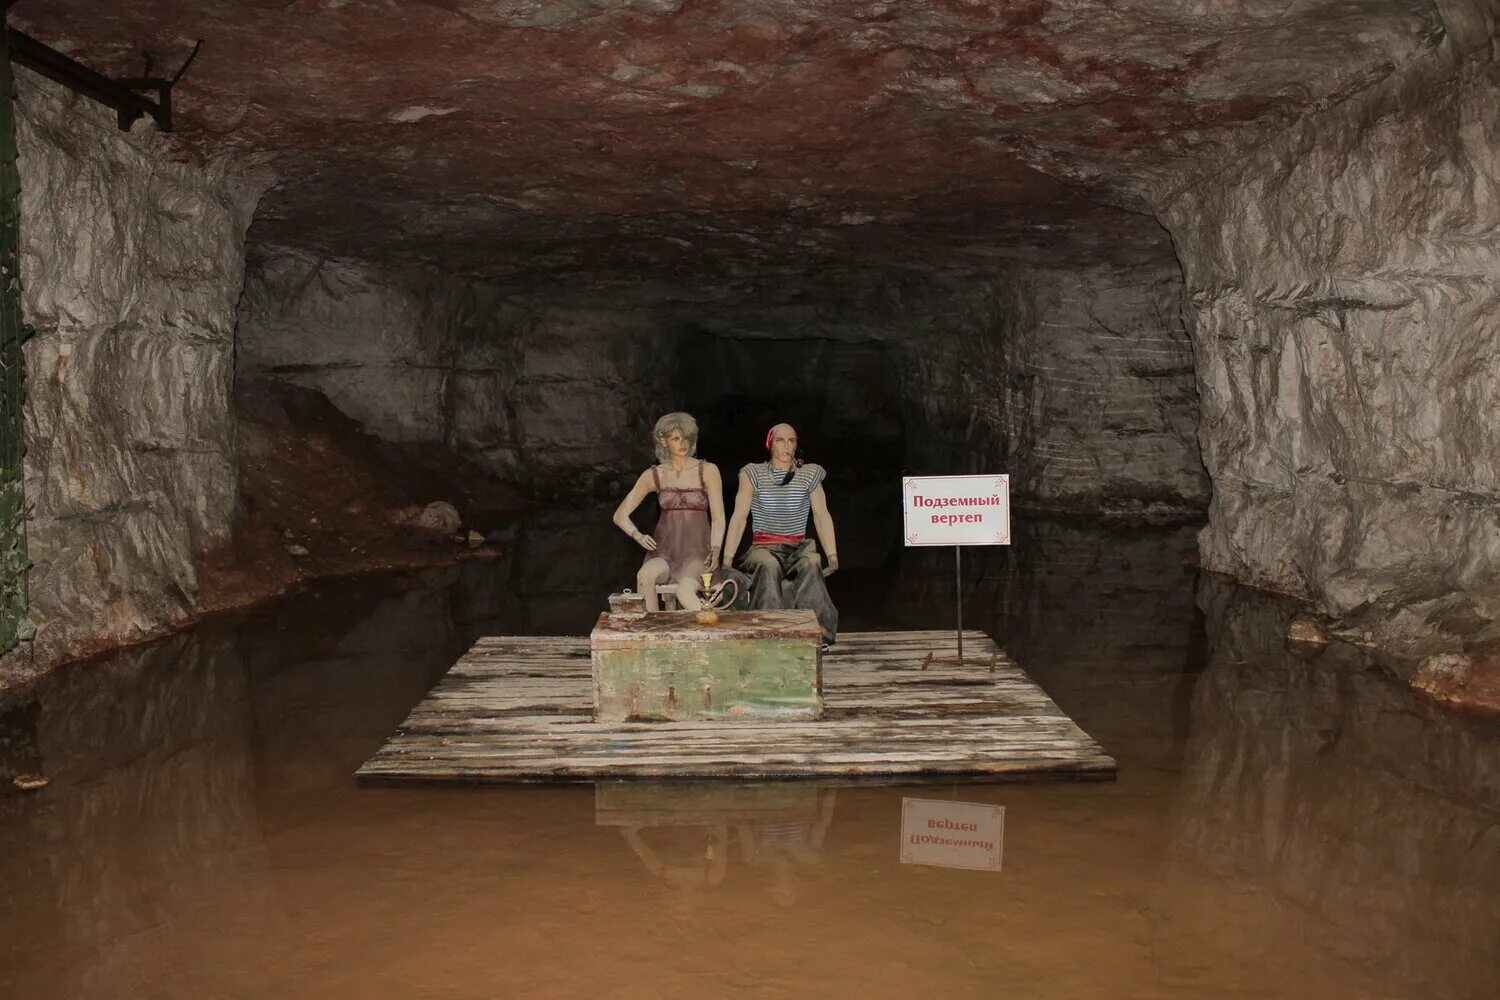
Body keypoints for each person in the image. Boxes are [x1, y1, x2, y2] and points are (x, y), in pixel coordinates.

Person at [722, 422, 839, 645]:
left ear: (796, 445)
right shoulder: (753, 473)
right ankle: (769, 632)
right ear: (770, 444)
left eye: (791, 440)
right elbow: (739, 516)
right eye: (780, 440)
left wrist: (832, 555)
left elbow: (821, 514)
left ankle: (818, 634)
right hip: (763, 546)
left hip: (798, 546)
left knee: (811, 561)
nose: (786, 446)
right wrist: (726, 559)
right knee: (768, 565)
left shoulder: (809, 474)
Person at [612, 412, 725, 611]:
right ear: (663, 441)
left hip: (698, 553)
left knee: (685, 591)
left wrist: (716, 548)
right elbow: (620, 516)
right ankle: (654, 636)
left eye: (687, 438)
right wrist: (638, 535)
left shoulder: (707, 470)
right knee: (645, 575)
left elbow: (718, 518)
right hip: (665, 552)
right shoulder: (654, 475)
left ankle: (712, 626)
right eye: (676, 438)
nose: (683, 443)